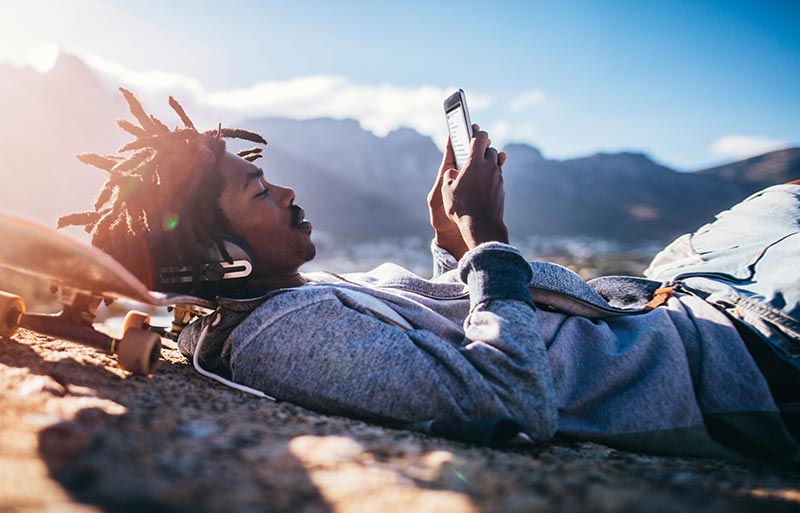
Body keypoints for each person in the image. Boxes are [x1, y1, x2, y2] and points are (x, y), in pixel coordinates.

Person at [62, 89, 800, 465]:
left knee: (782, 195)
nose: (283, 192)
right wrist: (487, 239)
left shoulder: (279, 303)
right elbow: (511, 398)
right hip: (735, 353)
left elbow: (446, 334)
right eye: (258, 193)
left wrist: (449, 246)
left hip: (684, 292)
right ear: (225, 258)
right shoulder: (281, 338)